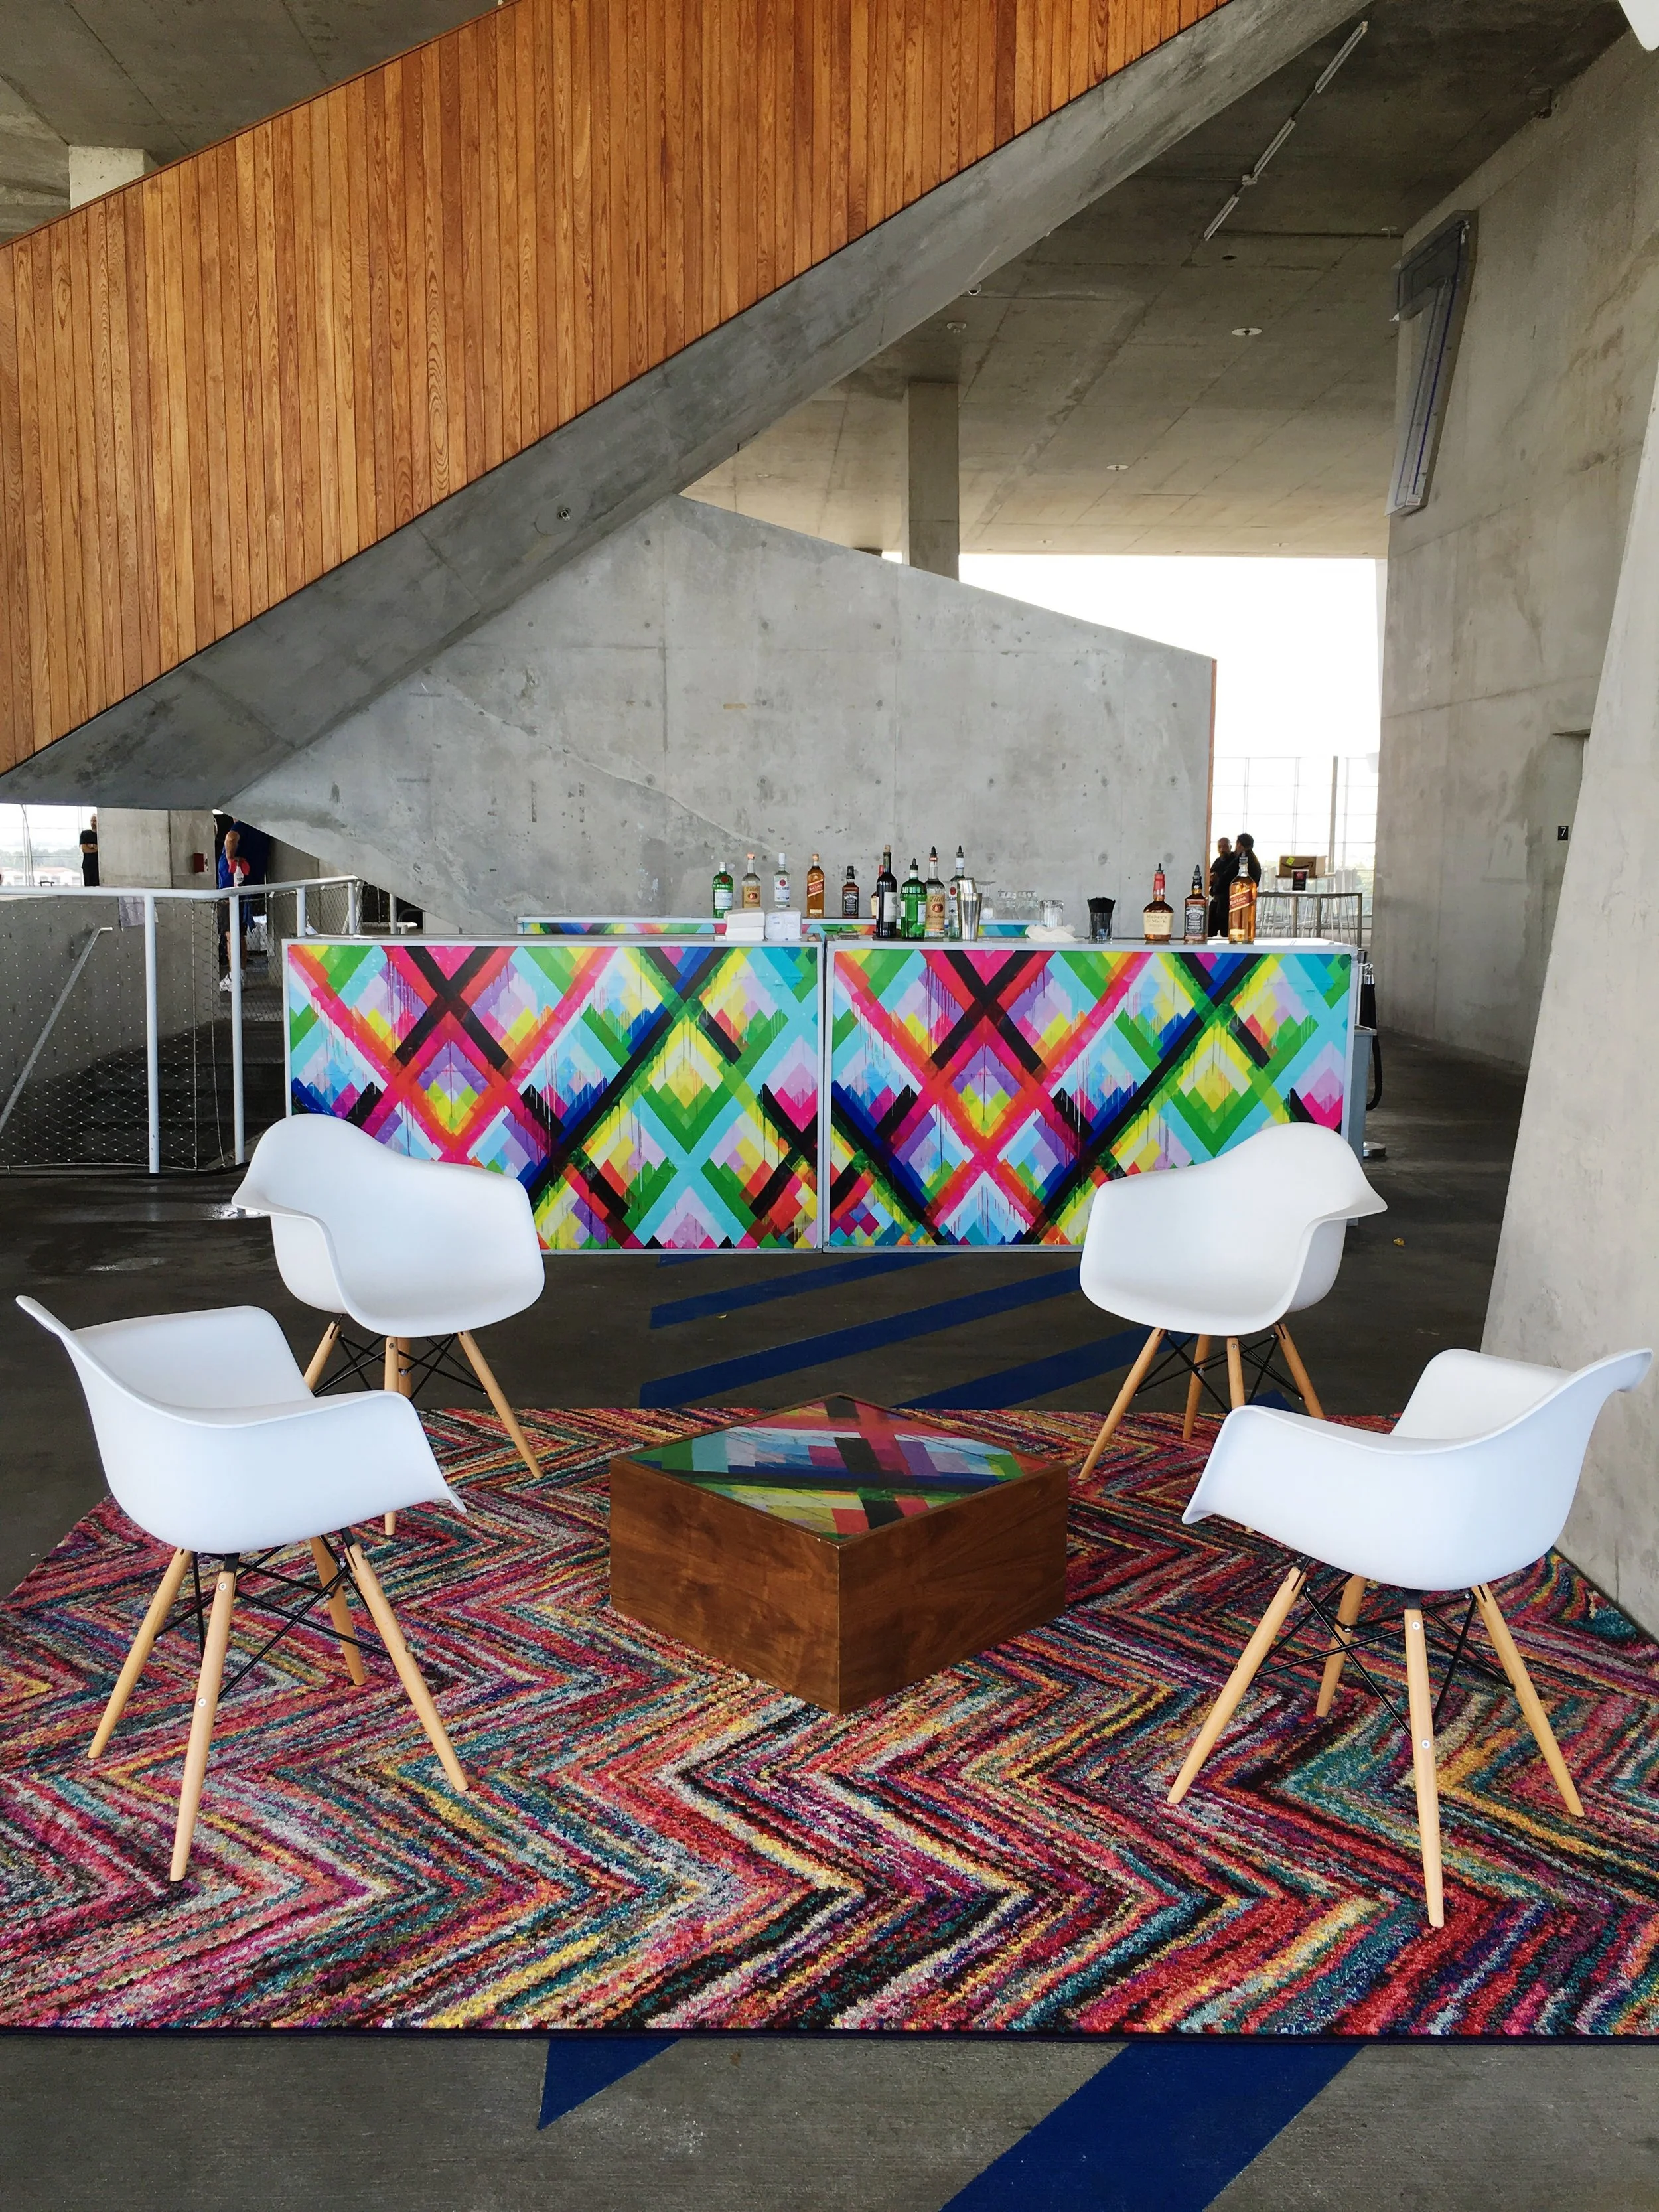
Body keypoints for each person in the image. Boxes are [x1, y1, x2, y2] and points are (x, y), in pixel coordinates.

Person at [218, 827, 252, 991]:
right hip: (239, 894)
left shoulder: (238, 829)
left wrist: (230, 859)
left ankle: (235, 978)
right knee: (238, 935)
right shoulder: (251, 834)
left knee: (231, 935)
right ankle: (239, 976)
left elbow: (231, 837)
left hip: (230, 895)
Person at [1206, 836, 1233, 938]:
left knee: (1226, 933)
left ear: (1230, 847)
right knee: (1209, 931)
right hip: (1216, 900)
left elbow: (1229, 880)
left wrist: (1219, 879)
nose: (1222, 849)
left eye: (1225, 846)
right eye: (1220, 847)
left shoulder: (1233, 861)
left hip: (1227, 902)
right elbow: (1210, 877)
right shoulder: (1218, 861)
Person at [78, 820, 98, 887]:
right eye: (91, 821)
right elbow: (85, 849)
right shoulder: (85, 834)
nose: (93, 823)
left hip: (99, 867)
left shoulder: (103, 836)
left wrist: (92, 846)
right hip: (88, 866)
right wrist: (96, 849)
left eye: (95, 821)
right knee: (89, 888)